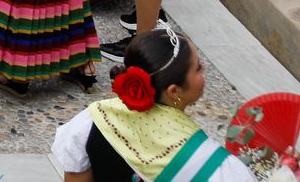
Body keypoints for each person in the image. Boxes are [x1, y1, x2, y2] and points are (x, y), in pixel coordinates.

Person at [50, 27, 251, 182]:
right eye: (198, 68)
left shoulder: (92, 120)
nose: (204, 70)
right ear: (174, 91)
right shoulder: (217, 166)